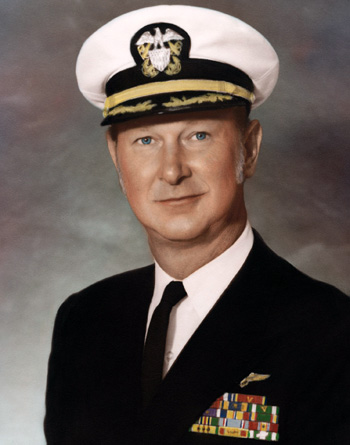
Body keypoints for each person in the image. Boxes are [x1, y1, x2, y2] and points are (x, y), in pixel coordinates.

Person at [44, 5, 350, 444]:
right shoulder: (84, 319)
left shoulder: (330, 332)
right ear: (116, 159)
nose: (171, 171)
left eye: (198, 136)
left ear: (249, 148)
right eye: (145, 141)